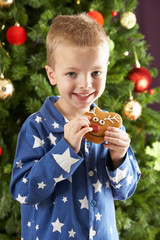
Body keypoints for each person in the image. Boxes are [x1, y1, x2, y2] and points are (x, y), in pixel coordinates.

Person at [10, 13, 141, 240]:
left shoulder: (111, 127)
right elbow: (23, 191)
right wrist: (65, 150)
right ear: (52, 75)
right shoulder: (37, 127)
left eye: (96, 72)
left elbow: (126, 190)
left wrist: (119, 158)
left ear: (106, 69)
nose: (86, 84)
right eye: (72, 73)